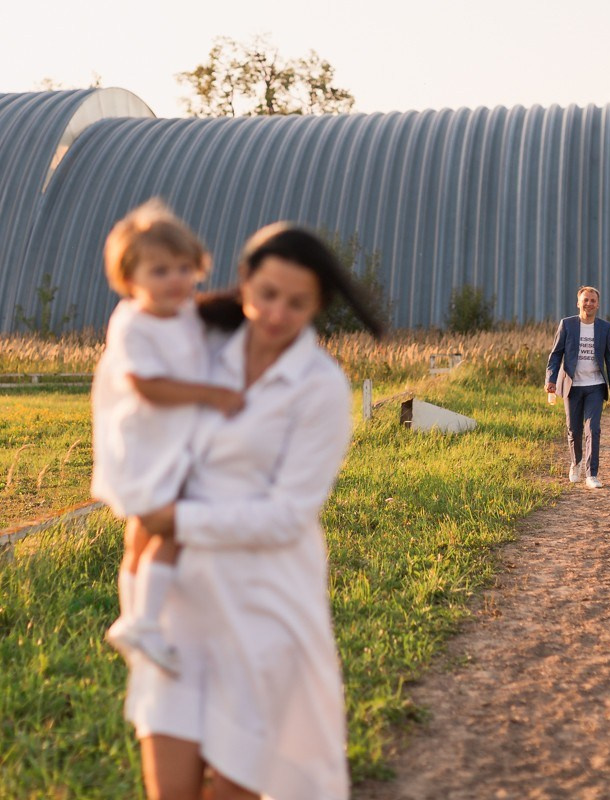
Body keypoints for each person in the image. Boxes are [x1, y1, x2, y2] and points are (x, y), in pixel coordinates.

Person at [124, 223, 385, 800]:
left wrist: (178, 521)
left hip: (262, 609)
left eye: (297, 303)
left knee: (240, 783)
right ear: (243, 281)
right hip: (178, 603)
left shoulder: (319, 386)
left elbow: (286, 515)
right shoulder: (197, 348)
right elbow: (132, 401)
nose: (276, 314)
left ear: (317, 308)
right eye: (267, 294)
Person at [91, 198, 244, 675]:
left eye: (184, 268)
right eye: (159, 271)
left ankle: (134, 619)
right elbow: (148, 386)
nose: (175, 280)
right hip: (144, 446)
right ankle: (146, 623)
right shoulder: (132, 322)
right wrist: (211, 394)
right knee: (174, 526)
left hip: (173, 444)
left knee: (141, 532)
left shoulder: (185, 313)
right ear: (129, 277)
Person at [545, 285, 610, 489]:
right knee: (573, 429)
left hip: (595, 386)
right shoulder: (567, 325)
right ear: (578, 303)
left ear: (598, 304)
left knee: (593, 429)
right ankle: (575, 463)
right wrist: (550, 380)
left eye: (592, 300)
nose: (589, 303)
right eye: (585, 300)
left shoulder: (605, 328)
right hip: (572, 386)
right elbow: (555, 355)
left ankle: (592, 474)